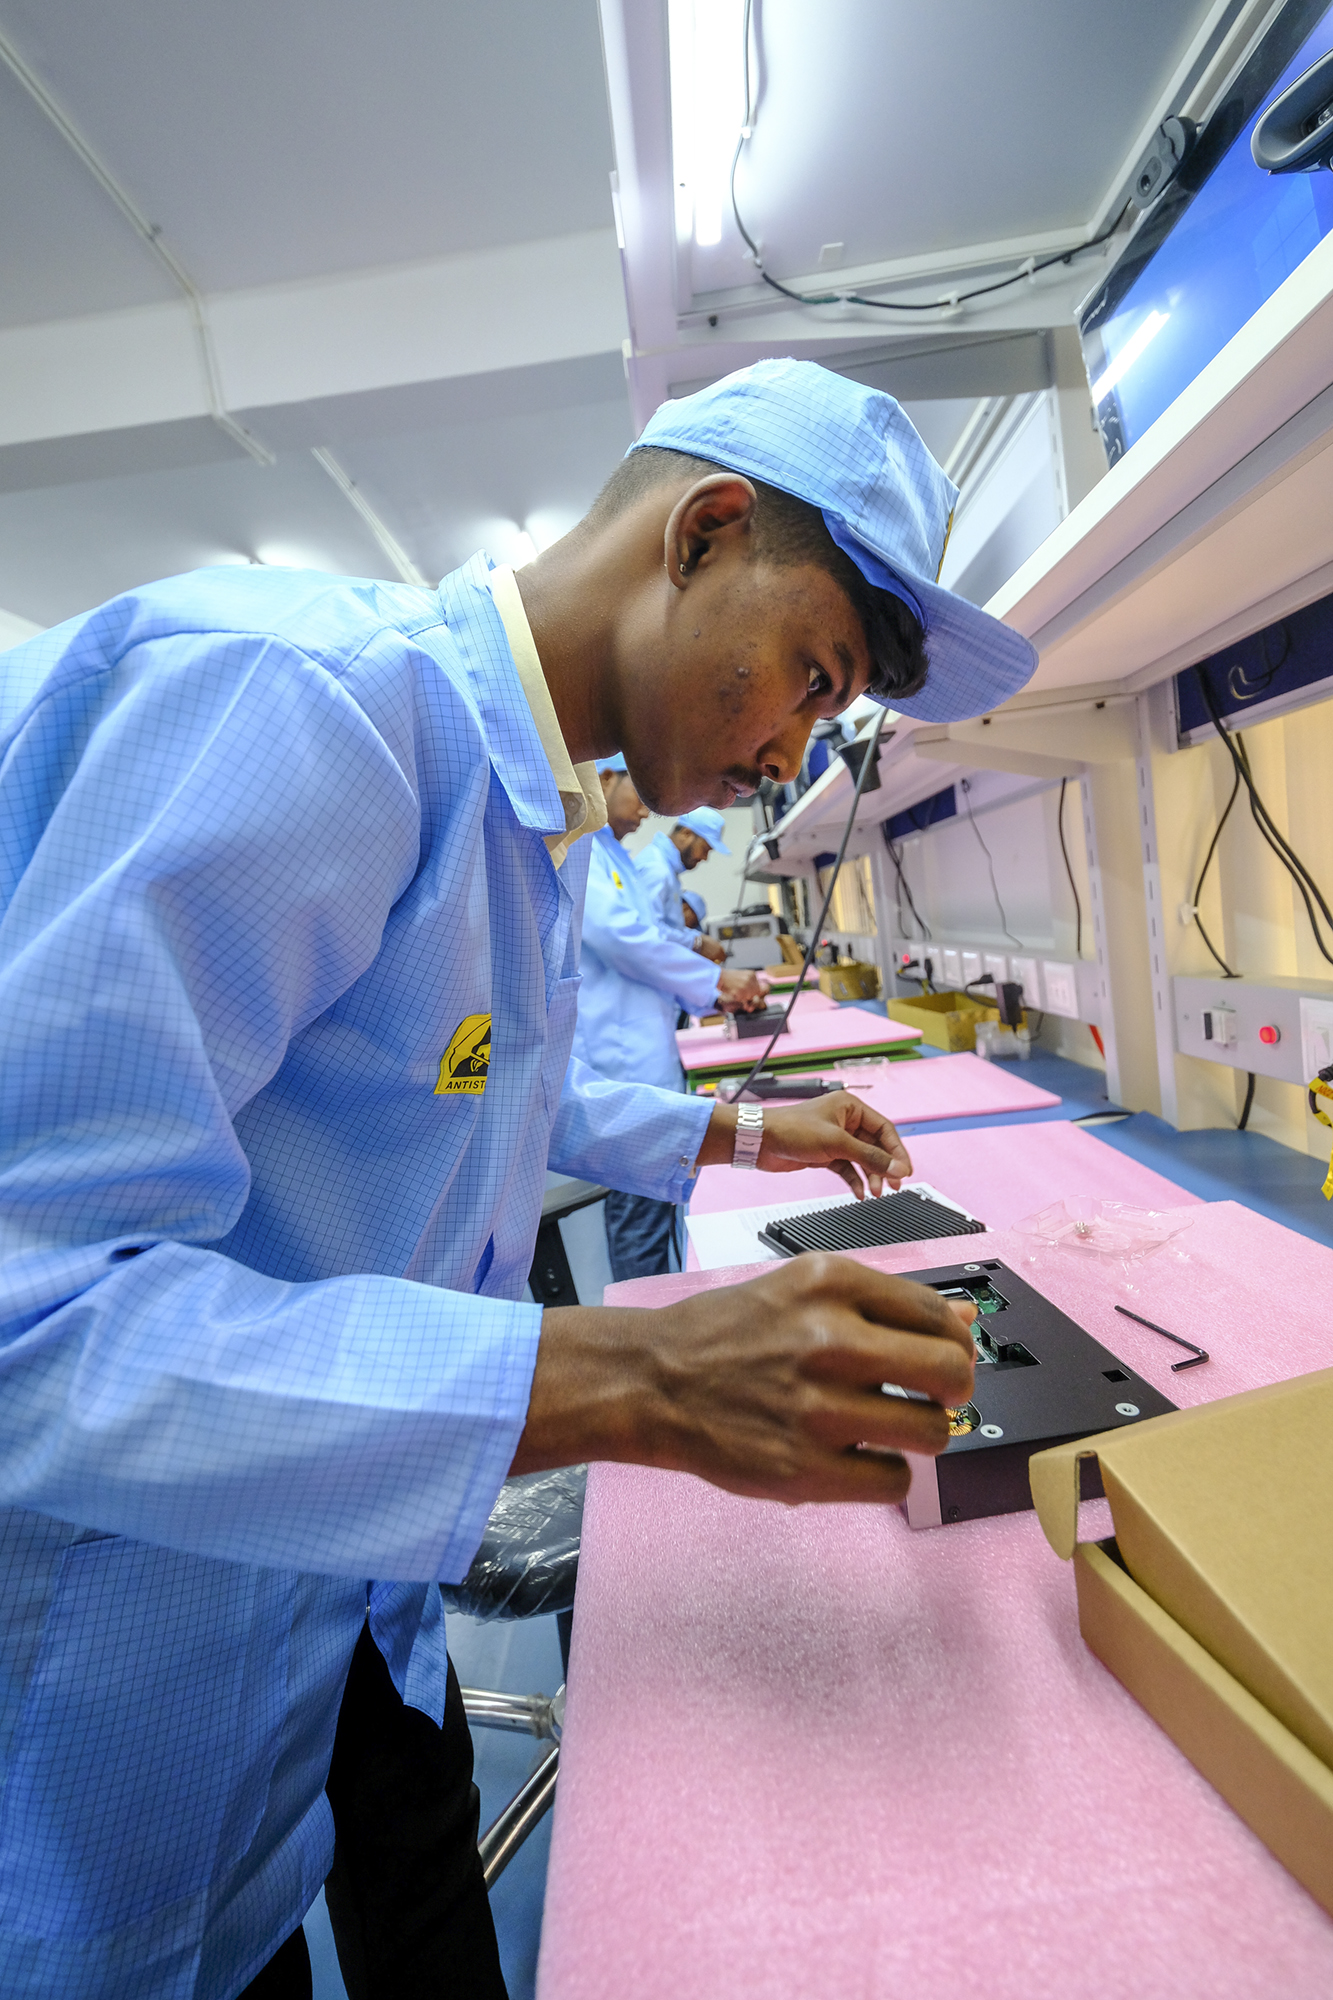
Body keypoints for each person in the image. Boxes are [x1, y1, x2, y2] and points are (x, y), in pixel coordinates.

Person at [0, 358, 1035, 1998]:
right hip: (82, 1733)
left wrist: (739, 1141)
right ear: (704, 532)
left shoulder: (522, 829)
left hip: (282, 1670)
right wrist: (635, 1376)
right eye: (806, 675)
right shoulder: (308, 708)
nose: (790, 752)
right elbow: (31, 1321)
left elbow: (487, 1116)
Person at [574, 758, 765, 1282]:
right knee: (640, 1215)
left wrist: (709, 992)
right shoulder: (585, 852)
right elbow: (626, 941)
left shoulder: (613, 855)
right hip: (622, 1061)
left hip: (646, 1053)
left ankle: (661, 1305)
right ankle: (646, 1318)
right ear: (604, 778)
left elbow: (652, 942)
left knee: (657, 1208)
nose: (647, 809)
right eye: (640, 792)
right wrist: (714, 980)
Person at [636, 807, 731, 960]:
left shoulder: (665, 868)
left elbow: (669, 926)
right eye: (705, 849)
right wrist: (697, 943)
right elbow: (647, 929)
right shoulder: (657, 869)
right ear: (686, 834)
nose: (705, 858)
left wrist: (698, 938)